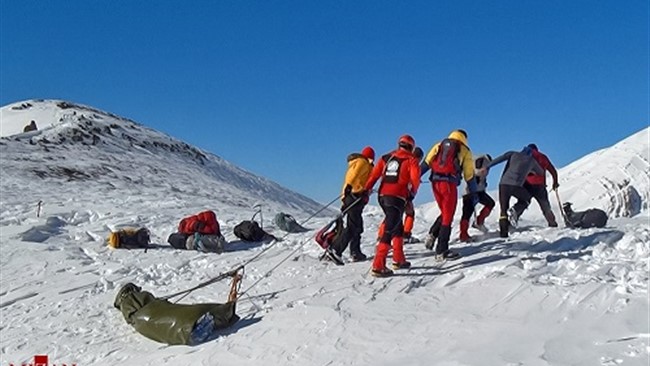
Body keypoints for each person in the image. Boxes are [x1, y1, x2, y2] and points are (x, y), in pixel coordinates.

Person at [364, 135, 421, 277]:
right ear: (411, 147)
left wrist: (367, 188)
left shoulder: (386, 158)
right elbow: (415, 180)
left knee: (397, 226)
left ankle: (399, 259)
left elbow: (374, 175)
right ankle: (378, 265)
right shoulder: (411, 160)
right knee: (390, 229)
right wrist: (411, 194)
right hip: (397, 197)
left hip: (382, 196)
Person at [421, 129, 476, 260]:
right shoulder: (464, 150)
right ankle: (441, 250)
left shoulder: (439, 145)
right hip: (449, 185)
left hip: (434, 183)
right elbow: (469, 174)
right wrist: (474, 192)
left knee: (445, 212)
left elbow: (426, 163)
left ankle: (433, 234)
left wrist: (413, 180)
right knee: (448, 215)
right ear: (464, 138)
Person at [329, 146, 375, 262]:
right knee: (353, 226)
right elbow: (354, 176)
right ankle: (336, 250)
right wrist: (350, 187)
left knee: (357, 225)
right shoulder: (362, 162)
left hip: (351, 196)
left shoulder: (356, 163)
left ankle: (355, 252)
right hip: (354, 196)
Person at [488, 146, 545, 238]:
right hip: (516, 186)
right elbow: (541, 172)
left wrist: (487, 166)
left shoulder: (512, 154)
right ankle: (516, 209)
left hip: (503, 185)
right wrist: (530, 171)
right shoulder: (531, 160)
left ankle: (503, 234)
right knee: (526, 199)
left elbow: (499, 159)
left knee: (503, 210)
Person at [376, 146, 424, 243]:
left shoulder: (397, 159)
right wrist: (413, 190)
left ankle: (381, 235)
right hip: (403, 195)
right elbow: (414, 179)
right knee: (409, 213)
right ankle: (405, 234)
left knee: (390, 216)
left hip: (385, 193)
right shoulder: (412, 162)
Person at [458, 154, 496, 241]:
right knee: (468, 212)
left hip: (475, 190)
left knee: (489, 204)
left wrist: (482, 182)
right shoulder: (482, 160)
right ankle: (465, 233)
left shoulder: (476, 160)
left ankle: (477, 223)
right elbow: (477, 172)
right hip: (469, 190)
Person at [524, 143, 559, 227]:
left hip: (526, 184)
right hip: (540, 185)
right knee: (545, 206)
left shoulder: (525, 157)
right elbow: (553, 170)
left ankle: (514, 217)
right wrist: (555, 183)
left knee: (523, 202)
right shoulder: (543, 157)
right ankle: (552, 223)